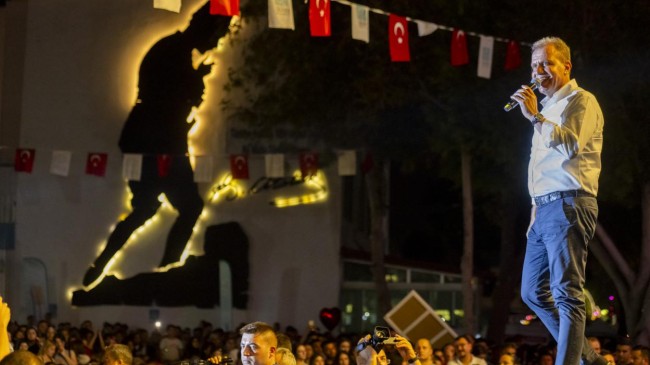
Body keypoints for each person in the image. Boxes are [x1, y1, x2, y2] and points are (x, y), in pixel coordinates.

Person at [82, 1, 233, 286]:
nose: (216, 43)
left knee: (159, 208)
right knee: (166, 207)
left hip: (160, 139)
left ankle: (144, 267)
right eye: (217, 36)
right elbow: (165, 98)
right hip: (155, 141)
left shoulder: (177, 52)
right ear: (205, 28)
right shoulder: (173, 52)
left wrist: (194, 80)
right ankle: (164, 270)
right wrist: (193, 83)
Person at [510, 36, 605, 365]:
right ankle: (591, 360)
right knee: (532, 292)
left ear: (566, 65)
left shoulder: (581, 100)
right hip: (543, 209)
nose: (539, 70)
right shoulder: (546, 109)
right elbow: (542, 168)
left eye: (547, 63)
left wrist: (535, 118)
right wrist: (534, 210)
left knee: (567, 294)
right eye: (535, 65)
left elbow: (570, 147)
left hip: (569, 203)